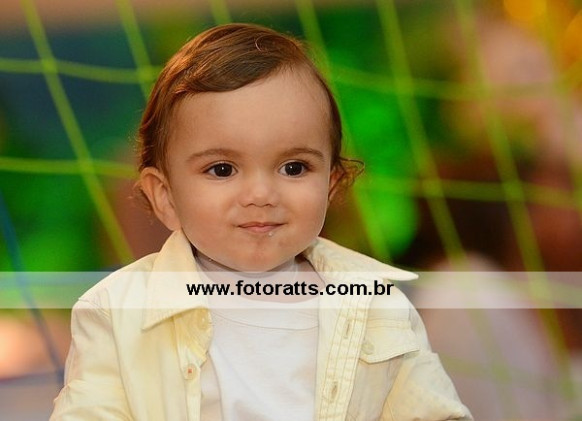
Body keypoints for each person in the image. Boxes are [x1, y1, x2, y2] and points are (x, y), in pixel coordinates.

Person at [50, 23, 472, 420]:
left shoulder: (375, 303)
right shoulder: (117, 311)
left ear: (331, 185)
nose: (261, 194)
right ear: (165, 196)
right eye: (222, 169)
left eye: (293, 167)